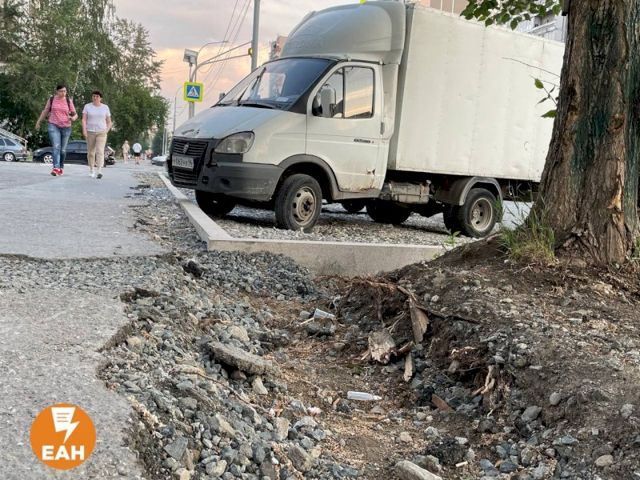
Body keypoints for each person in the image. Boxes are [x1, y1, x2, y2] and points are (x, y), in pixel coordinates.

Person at [35, 84, 78, 176]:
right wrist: (38, 122)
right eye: (61, 91)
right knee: (56, 147)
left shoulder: (68, 101)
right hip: (53, 125)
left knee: (63, 150)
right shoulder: (51, 100)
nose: (63, 93)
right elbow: (45, 111)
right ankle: (56, 168)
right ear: (57, 91)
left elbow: (75, 114)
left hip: (66, 127)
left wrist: (73, 118)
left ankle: (61, 167)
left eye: (65, 91)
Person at [82, 90, 112, 179]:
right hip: (90, 132)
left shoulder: (105, 107)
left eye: (97, 96)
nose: (95, 98)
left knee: (100, 151)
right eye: (94, 96)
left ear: (100, 98)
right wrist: (84, 130)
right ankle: (91, 170)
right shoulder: (87, 106)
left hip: (101, 132)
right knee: (91, 152)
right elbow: (84, 119)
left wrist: (106, 130)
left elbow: (109, 122)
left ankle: (99, 170)